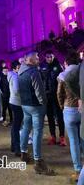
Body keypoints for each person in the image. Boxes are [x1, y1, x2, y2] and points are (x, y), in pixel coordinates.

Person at [18, 51, 55, 176]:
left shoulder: (21, 71)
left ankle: (23, 153)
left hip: (25, 104)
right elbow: (39, 91)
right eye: (36, 57)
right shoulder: (34, 72)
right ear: (29, 60)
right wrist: (44, 103)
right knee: (37, 132)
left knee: (26, 128)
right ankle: (38, 161)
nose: (39, 58)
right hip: (35, 106)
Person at [57, 53, 83, 183]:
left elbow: (59, 94)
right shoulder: (81, 72)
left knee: (73, 141)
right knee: (82, 139)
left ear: (66, 63)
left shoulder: (63, 75)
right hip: (82, 109)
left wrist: (62, 107)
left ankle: (78, 170)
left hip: (69, 110)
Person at [40, 50, 66, 146]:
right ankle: (52, 137)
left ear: (53, 56)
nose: (49, 58)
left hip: (57, 95)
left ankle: (62, 137)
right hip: (47, 96)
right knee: (50, 116)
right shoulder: (42, 66)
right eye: (47, 57)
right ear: (45, 57)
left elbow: (63, 80)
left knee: (59, 116)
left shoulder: (58, 66)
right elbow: (40, 80)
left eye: (50, 56)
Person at [7, 60, 23, 156]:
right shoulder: (15, 76)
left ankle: (14, 146)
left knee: (15, 126)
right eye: (18, 67)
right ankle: (17, 148)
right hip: (17, 102)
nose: (20, 68)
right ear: (14, 68)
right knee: (16, 126)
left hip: (13, 101)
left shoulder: (11, 75)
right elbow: (17, 90)